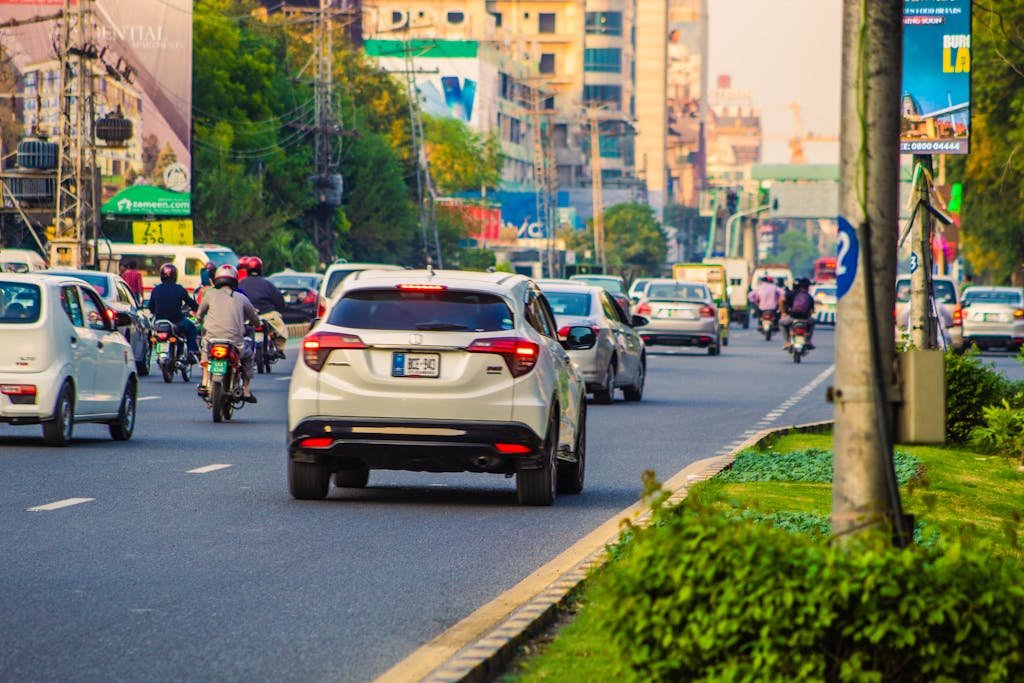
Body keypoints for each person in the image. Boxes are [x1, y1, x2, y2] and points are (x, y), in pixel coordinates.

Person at [197, 264, 261, 403]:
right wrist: (256, 324)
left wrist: (199, 320)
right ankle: (246, 390)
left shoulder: (209, 294)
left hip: (212, 340)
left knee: (204, 350)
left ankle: (205, 381)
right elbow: (255, 319)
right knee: (248, 357)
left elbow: (199, 315)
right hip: (235, 343)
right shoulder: (241, 298)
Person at [237, 256, 288, 357]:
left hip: (246, 317)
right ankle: (280, 349)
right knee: (281, 329)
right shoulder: (267, 284)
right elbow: (279, 301)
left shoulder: (240, 284)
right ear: (260, 269)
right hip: (267, 315)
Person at [148, 263, 199, 359]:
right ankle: (192, 351)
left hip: (159, 322)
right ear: (175, 275)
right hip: (177, 322)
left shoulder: (156, 289)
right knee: (192, 328)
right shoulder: (180, 289)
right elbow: (191, 303)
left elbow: (151, 307)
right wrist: (196, 308)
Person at [780, 277, 816, 350]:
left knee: (781, 323)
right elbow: (812, 311)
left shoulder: (792, 294)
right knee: (813, 322)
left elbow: (782, 300)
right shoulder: (809, 297)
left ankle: (787, 342)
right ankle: (808, 341)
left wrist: (783, 312)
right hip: (805, 318)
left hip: (793, 317)